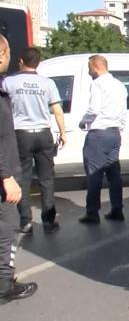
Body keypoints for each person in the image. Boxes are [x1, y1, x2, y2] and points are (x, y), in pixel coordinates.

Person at [2, 48, 66, 235]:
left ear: (21, 61)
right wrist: (63, 132)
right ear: (38, 62)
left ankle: (25, 222)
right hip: (43, 133)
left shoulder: (9, 82)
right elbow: (57, 110)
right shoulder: (47, 83)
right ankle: (48, 221)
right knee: (46, 178)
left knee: (23, 178)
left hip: (20, 135)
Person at [0, 35, 37, 304]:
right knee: (7, 228)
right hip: (4, 176)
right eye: (8, 51)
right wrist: (6, 177)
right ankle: (3, 285)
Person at [78, 55, 127, 224]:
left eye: (90, 68)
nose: (89, 72)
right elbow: (123, 111)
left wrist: (83, 122)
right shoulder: (119, 85)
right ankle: (117, 209)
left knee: (94, 174)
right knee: (114, 174)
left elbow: (94, 109)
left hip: (98, 134)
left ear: (96, 67)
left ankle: (92, 212)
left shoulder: (97, 84)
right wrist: (119, 128)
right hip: (114, 133)